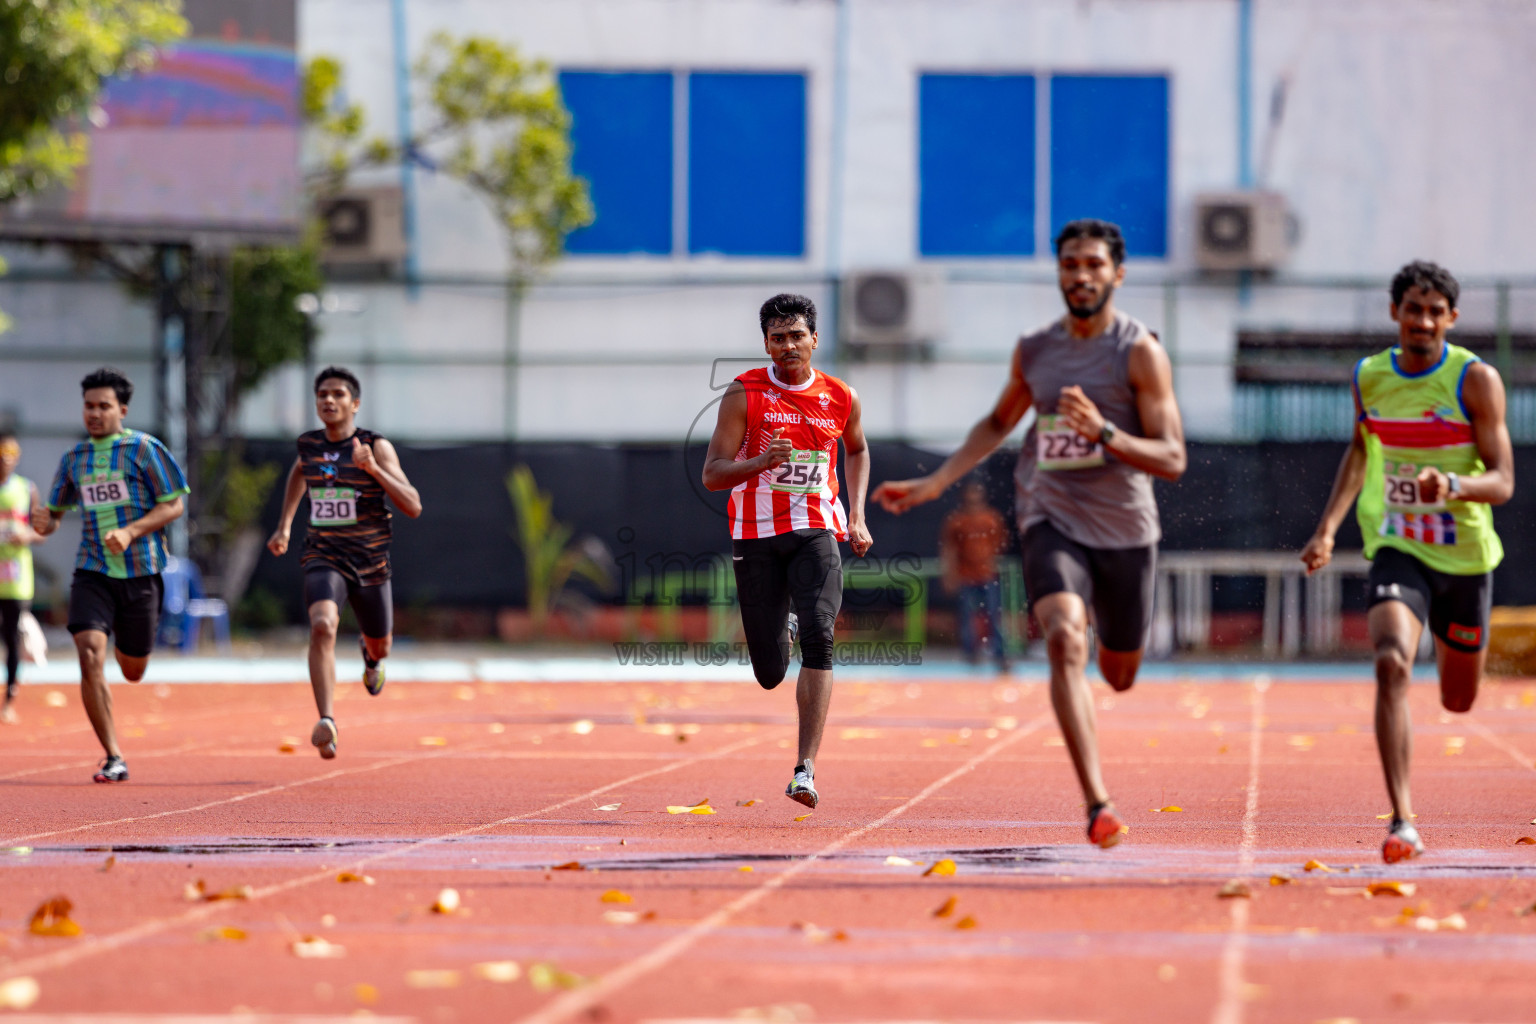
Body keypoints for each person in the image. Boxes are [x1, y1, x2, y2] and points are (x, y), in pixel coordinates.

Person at [873, 219, 1186, 848]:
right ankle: (1098, 803)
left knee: (1119, 672)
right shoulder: (1036, 350)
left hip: (1125, 528)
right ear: (1059, 273)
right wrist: (937, 481)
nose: (1081, 275)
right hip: (1051, 515)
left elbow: (1172, 456)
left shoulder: (1139, 352)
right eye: (1070, 264)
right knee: (1064, 639)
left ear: (1118, 274)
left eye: (1094, 264)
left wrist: (1103, 433)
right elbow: (997, 422)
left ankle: (1111, 662)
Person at [1301, 261, 1512, 864]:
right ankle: (1403, 821)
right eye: (1413, 309)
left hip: (1465, 559)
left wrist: (1451, 484)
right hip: (1398, 546)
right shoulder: (1369, 376)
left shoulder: (1475, 380)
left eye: (1434, 312)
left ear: (1452, 318)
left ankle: (1451, 647)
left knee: (1458, 700)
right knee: (1391, 662)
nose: (1422, 321)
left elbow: (1502, 481)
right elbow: (1359, 451)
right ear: (1395, 312)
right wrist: (1326, 529)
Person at [702, 293, 873, 808]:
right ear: (766, 345)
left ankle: (805, 770)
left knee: (822, 636)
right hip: (755, 535)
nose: (788, 346)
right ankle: (787, 625)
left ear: (814, 339)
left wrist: (857, 516)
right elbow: (712, 475)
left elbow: (857, 449)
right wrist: (760, 461)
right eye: (778, 338)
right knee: (770, 673)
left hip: (817, 528)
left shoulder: (841, 396)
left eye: (797, 335)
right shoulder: (744, 393)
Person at [30, 369, 189, 782]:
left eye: (104, 406)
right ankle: (113, 755)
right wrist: (45, 521)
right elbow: (53, 517)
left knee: (133, 670)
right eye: (89, 406)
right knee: (88, 654)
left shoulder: (145, 449)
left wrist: (132, 531)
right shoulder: (74, 459)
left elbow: (174, 505)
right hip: (93, 570)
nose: (95, 413)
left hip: (140, 572)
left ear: (123, 410)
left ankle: (125, 639)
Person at [267, 367, 422, 759]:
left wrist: (373, 469)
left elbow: (413, 505)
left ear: (355, 404)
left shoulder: (375, 446)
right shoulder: (309, 445)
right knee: (322, 626)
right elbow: (299, 473)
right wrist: (285, 525)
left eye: (337, 394)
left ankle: (371, 658)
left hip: (370, 560)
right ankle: (327, 721)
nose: (329, 400)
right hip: (324, 554)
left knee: (381, 645)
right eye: (322, 394)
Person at [940, 479, 1010, 670]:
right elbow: (949, 549)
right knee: (966, 616)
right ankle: (971, 654)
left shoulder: (991, 518)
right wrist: (950, 575)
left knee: (994, 615)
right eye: (970, 493)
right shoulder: (956, 521)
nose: (973, 497)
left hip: (988, 575)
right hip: (965, 576)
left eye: (976, 493)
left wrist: (993, 561)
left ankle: (999, 654)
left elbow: (1000, 542)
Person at [1, 432, 45, 724]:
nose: (6, 460)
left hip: (15, 575)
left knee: (12, 637)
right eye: (2, 454)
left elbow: (42, 531)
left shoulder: (27, 489)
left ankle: (9, 699)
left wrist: (25, 536)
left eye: (11, 454)